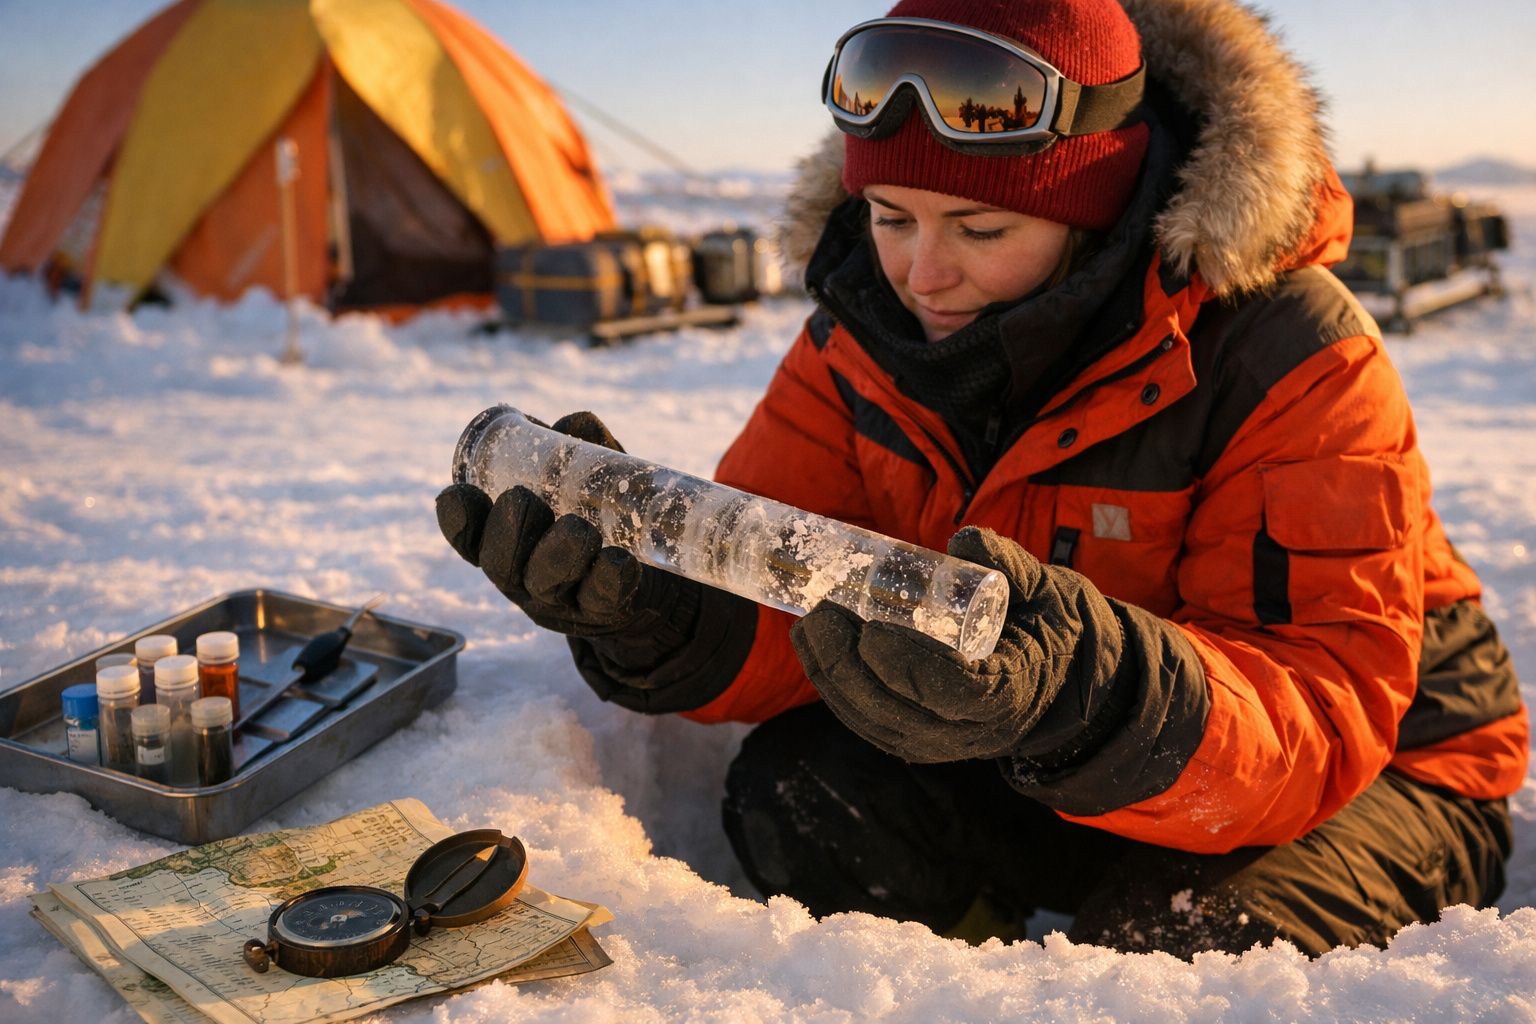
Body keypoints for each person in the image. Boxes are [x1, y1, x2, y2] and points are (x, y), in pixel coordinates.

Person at [437, 0, 1527, 958]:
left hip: (1384, 767)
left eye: (983, 226)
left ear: (1097, 210)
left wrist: (1085, 691)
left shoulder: (1286, 346)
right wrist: (667, 614)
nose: (923, 272)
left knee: (1175, 952)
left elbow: (1323, 707)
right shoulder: (859, 336)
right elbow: (801, 595)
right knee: (805, 798)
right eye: (891, 217)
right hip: (1063, 738)